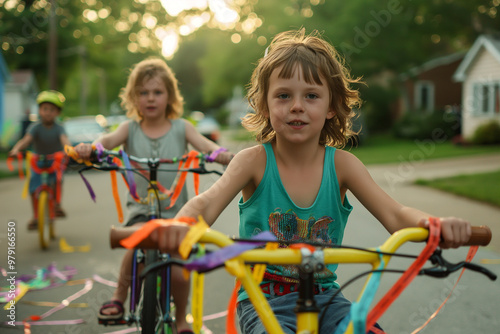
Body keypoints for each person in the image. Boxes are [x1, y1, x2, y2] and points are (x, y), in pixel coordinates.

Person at [148, 29, 472, 334]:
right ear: (265, 104)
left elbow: (395, 215)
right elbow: (207, 201)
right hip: (263, 301)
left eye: (312, 96)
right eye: (284, 95)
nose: (297, 106)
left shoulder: (343, 166)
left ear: (331, 107)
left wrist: (434, 224)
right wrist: (182, 224)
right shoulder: (253, 162)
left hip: (328, 299)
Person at [74, 57, 233, 333]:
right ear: (133, 98)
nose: (150, 98)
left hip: (177, 214)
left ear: (169, 96)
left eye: (157, 92)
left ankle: (182, 318)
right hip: (141, 210)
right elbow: (107, 142)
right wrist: (93, 148)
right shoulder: (129, 128)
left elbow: (207, 146)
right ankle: (118, 297)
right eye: (143, 93)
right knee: (137, 240)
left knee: (178, 268)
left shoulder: (182, 127)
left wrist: (222, 156)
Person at [9, 90, 71, 230]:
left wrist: (69, 150)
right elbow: (26, 141)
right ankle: (36, 216)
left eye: (52, 110)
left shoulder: (59, 128)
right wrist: (16, 149)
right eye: (45, 109)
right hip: (37, 160)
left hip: (55, 160)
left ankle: (56, 205)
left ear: (58, 113)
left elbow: (65, 141)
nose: (48, 112)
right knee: (33, 187)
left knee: (58, 180)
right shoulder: (35, 127)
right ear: (39, 110)